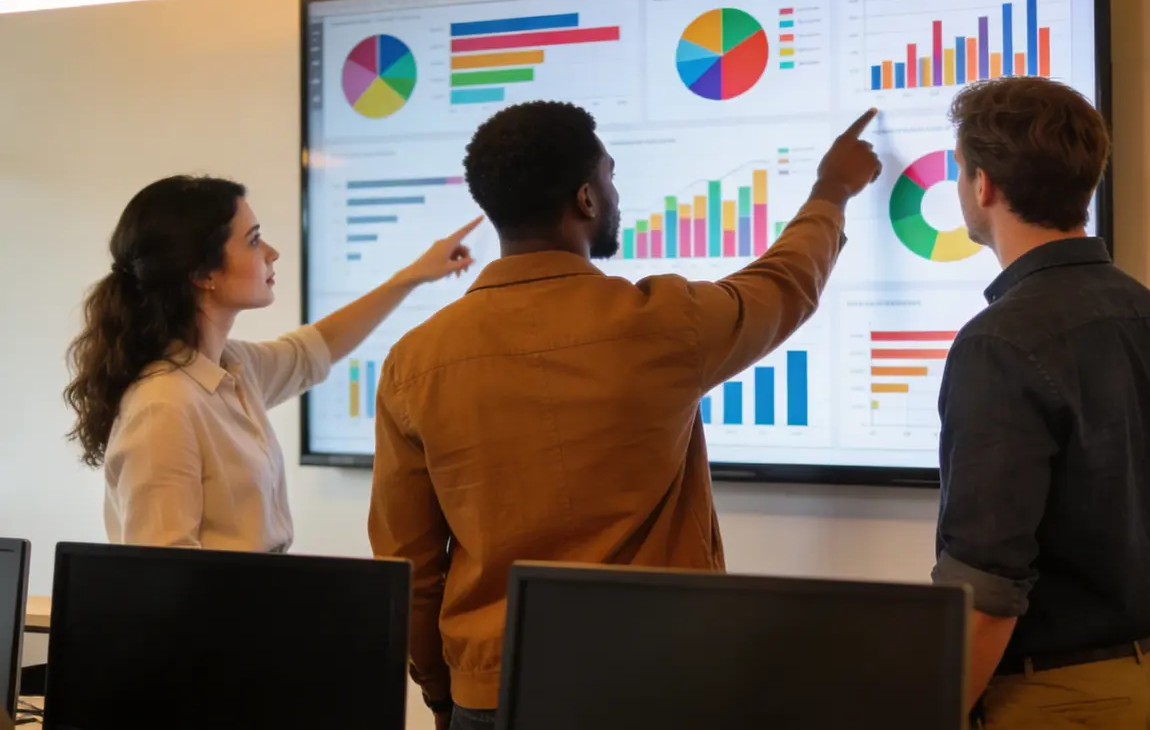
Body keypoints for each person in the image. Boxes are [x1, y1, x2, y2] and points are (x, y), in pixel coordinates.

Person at [367, 100, 882, 730]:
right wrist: (831, 190)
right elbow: (784, 284)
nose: (615, 193)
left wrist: (445, 694)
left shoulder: (413, 362)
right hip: (654, 681)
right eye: (610, 177)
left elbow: (409, 563)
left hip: (492, 690)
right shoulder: (664, 320)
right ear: (585, 198)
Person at [932, 77, 1150, 728]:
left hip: (1047, 702)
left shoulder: (998, 341)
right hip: (1149, 684)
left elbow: (988, 590)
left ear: (983, 185)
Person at [64, 175, 480, 551]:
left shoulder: (232, 366)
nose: (272, 253)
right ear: (203, 272)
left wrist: (413, 276)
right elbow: (163, 576)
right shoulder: (163, 406)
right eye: (253, 240)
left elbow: (315, 348)